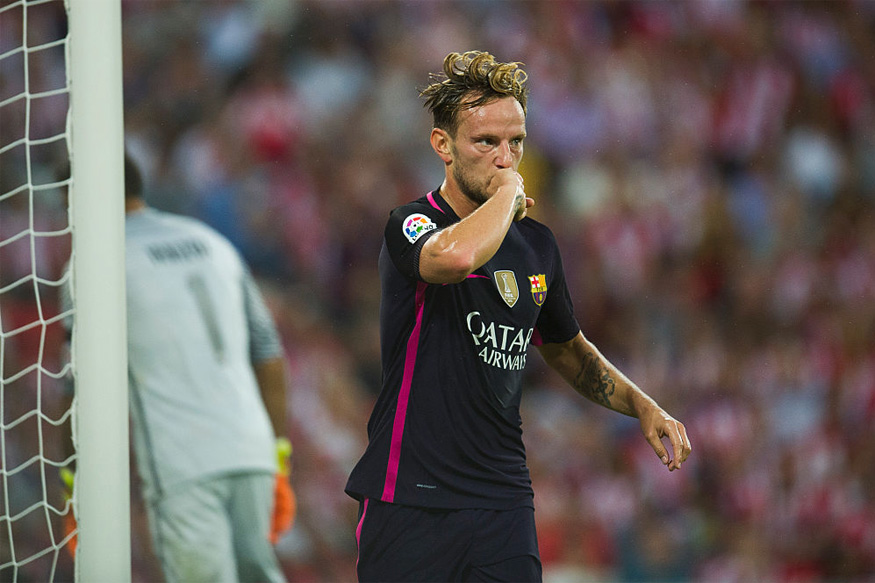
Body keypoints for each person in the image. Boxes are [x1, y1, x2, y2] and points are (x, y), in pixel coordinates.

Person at [344, 51, 692, 582]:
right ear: (443, 144)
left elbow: (567, 350)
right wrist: (507, 197)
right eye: (486, 142)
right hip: (410, 496)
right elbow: (456, 259)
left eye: (516, 142)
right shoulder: (412, 222)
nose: (505, 159)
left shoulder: (537, 246)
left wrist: (641, 405)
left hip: (502, 500)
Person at [62, 154, 295, 583]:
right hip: (252, 452)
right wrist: (277, 455)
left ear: (76, 198)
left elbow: (77, 388)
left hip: (182, 462)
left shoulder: (95, 264)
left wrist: (73, 485)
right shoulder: (212, 243)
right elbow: (268, 353)